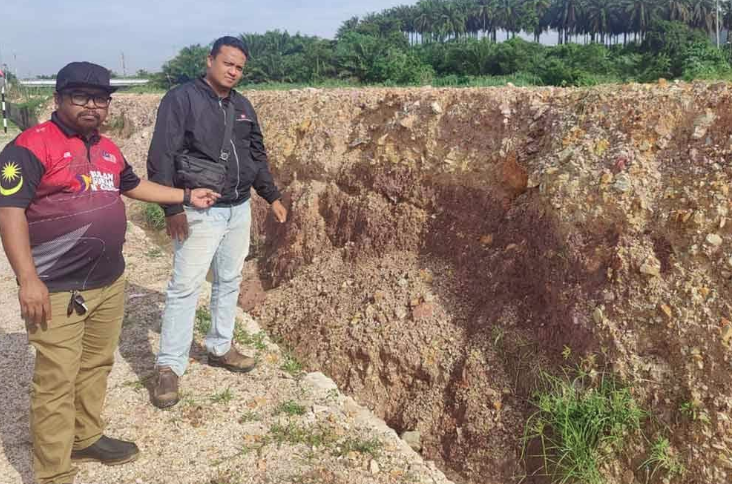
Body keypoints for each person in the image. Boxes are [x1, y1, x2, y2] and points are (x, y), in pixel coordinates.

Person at [0, 61, 219, 484]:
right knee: (56, 379)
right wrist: (28, 280)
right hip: (56, 287)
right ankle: (52, 472)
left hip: (108, 281)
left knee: (97, 364)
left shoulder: (107, 148)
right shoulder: (28, 147)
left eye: (101, 99)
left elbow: (132, 186)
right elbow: (9, 214)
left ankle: (85, 437)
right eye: (81, 96)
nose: (93, 106)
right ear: (58, 99)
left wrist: (186, 195)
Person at [147, 36, 287, 409]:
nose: (233, 71)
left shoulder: (242, 105)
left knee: (229, 279)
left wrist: (270, 195)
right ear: (209, 60)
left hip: (238, 208)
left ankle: (219, 346)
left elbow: (256, 154)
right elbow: (162, 154)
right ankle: (169, 366)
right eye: (227, 63)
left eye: (240, 67)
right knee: (185, 286)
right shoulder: (182, 99)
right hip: (198, 209)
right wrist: (172, 209)